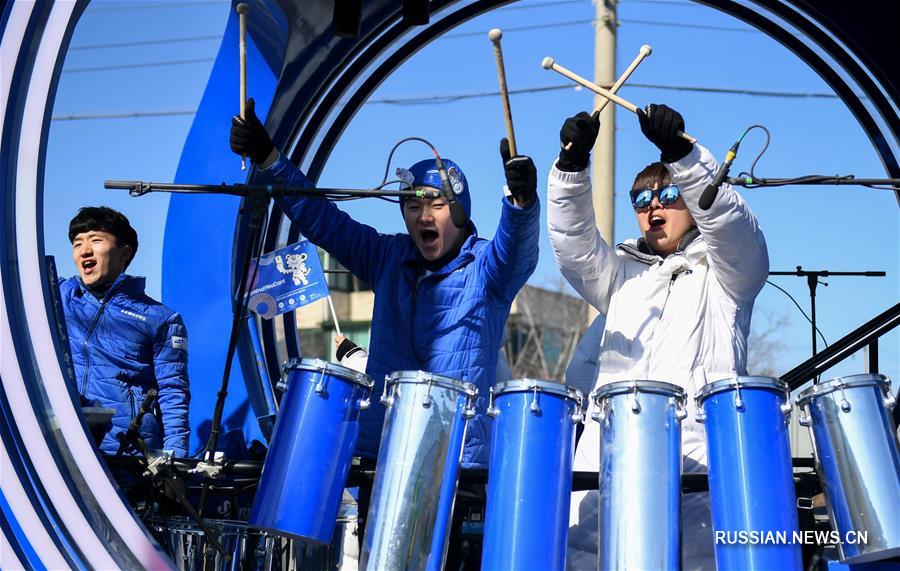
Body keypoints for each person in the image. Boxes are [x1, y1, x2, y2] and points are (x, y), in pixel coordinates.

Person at [230, 99, 540, 469]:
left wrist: (520, 204)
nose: (423, 215)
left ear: (460, 212)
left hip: (455, 461)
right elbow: (322, 220)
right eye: (412, 206)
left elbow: (517, 250)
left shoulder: (486, 268)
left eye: (437, 206)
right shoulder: (387, 257)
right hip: (381, 453)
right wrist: (269, 159)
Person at [547, 105, 769, 569]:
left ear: (690, 200)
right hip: (609, 468)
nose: (653, 207)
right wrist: (571, 170)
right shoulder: (620, 277)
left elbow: (735, 229)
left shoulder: (726, 274)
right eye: (640, 199)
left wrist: (683, 157)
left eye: (669, 194)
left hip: (694, 469)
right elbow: (575, 249)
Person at [59, 206, 191, 457]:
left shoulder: (161, 318)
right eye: (77, 243)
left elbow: (173, 391)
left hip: (128, 450)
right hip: (67, 443)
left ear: (124, 253)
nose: (85, 250)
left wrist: (176, 458)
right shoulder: (58, 296)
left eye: (96, 240)